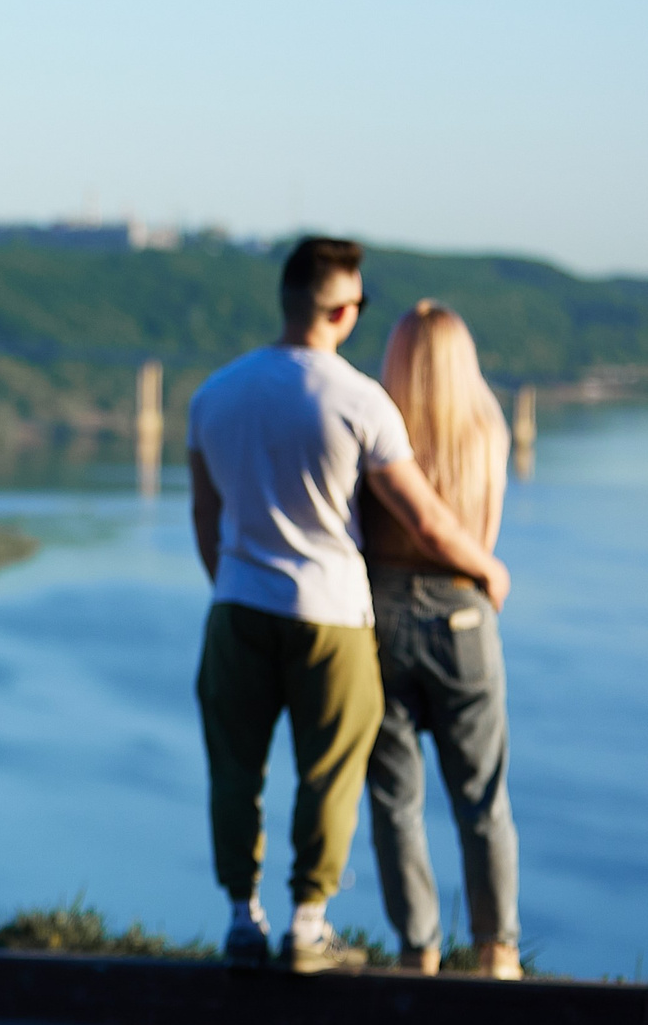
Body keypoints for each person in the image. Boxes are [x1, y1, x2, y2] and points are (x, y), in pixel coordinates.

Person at [186, 237, 510, 974]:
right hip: (331, 613)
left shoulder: (214, 395)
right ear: (342, 310)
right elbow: (424, 518)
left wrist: (231, 582)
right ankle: (308, 923)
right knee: (328, 770)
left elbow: (206, 519)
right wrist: (486, 566)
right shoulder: (362, 400)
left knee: (236, 768)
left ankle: (243, 917)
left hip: (237, 605)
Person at [363, 302, 522, 980]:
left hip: (381, 612)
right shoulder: (486, 429)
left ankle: (417, 950)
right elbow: (478, 538)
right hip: (464, 613)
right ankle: (497, 949)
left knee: (396, 800)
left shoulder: (374, 425)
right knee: (482, 797)